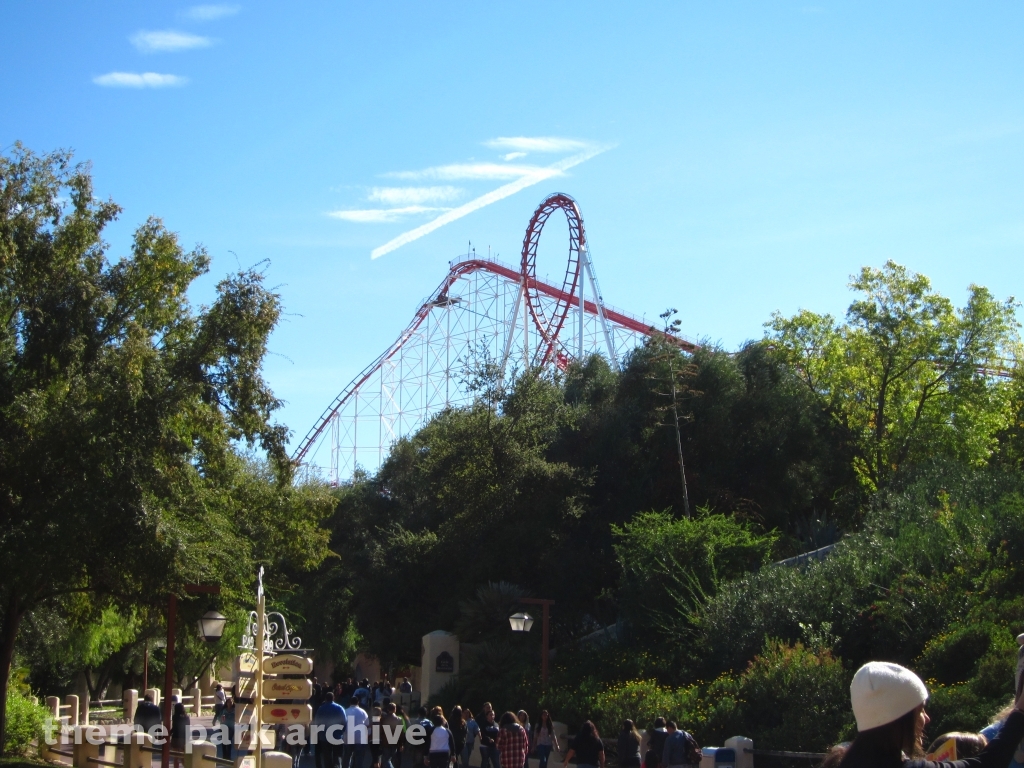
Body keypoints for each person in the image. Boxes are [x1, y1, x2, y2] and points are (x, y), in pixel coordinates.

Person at [828, 660, 1024, 768]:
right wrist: (1020, 711)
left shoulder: (839, 762)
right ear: (899, 719)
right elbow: (988, 764)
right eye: (920, 710)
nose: (927, 718)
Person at [316, 691, 347, 768]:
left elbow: (316, 722)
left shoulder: (321, 709)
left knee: (327, 757)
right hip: (337, 736)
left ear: (325, 699)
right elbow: (344, 722)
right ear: (334, 698)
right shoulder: (340, 708)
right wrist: (341, 732)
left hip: (324, 736)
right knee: (337, 757)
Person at [345, 695, 370, 768]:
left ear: (350, 702)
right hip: (360, 738)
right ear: (358, 702)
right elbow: (367, 724)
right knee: (359, 758)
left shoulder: (346, 711)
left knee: (347, 757)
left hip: (348, 737)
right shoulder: (363, 712)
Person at [380, 702, 404, 768]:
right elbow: (400, 733)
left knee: (386, 760)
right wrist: (401, 744)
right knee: (390, 759)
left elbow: (380, 731)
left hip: (385, 742)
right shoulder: (399, 719)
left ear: (387, 709)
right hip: (395, 742)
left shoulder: (383, 719)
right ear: (395, 709)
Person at [477, 704, 500, 768]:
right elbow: (482, 734)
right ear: (487, 716)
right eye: (490, 715)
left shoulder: (496, 725)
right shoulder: (483, 724)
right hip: (485, 745)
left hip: (494, 746)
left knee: (496, 762)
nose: (492, 716)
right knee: (485, 762)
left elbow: (499, 735)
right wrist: (488, 739)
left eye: (493, 715)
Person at [170, 702, 190, 768]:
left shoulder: (175, 717)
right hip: (184, 738)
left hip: (175, 738)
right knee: (183, 757)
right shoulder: (187, 717)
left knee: (176, 757)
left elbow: (174, 728)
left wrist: (169, 734)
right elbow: (188, 729)